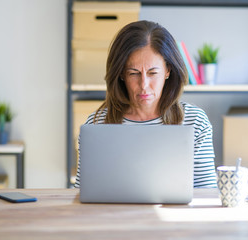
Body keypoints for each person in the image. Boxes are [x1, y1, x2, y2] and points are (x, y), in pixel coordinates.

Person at [74, 20, 217, 188]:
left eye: (153, 73)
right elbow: (83, 192)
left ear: (168, 71)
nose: (144, 85)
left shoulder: (195, 122)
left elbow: (206, 194)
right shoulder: (96, 125)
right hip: (112, 214)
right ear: (121, 74)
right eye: (133, 73)